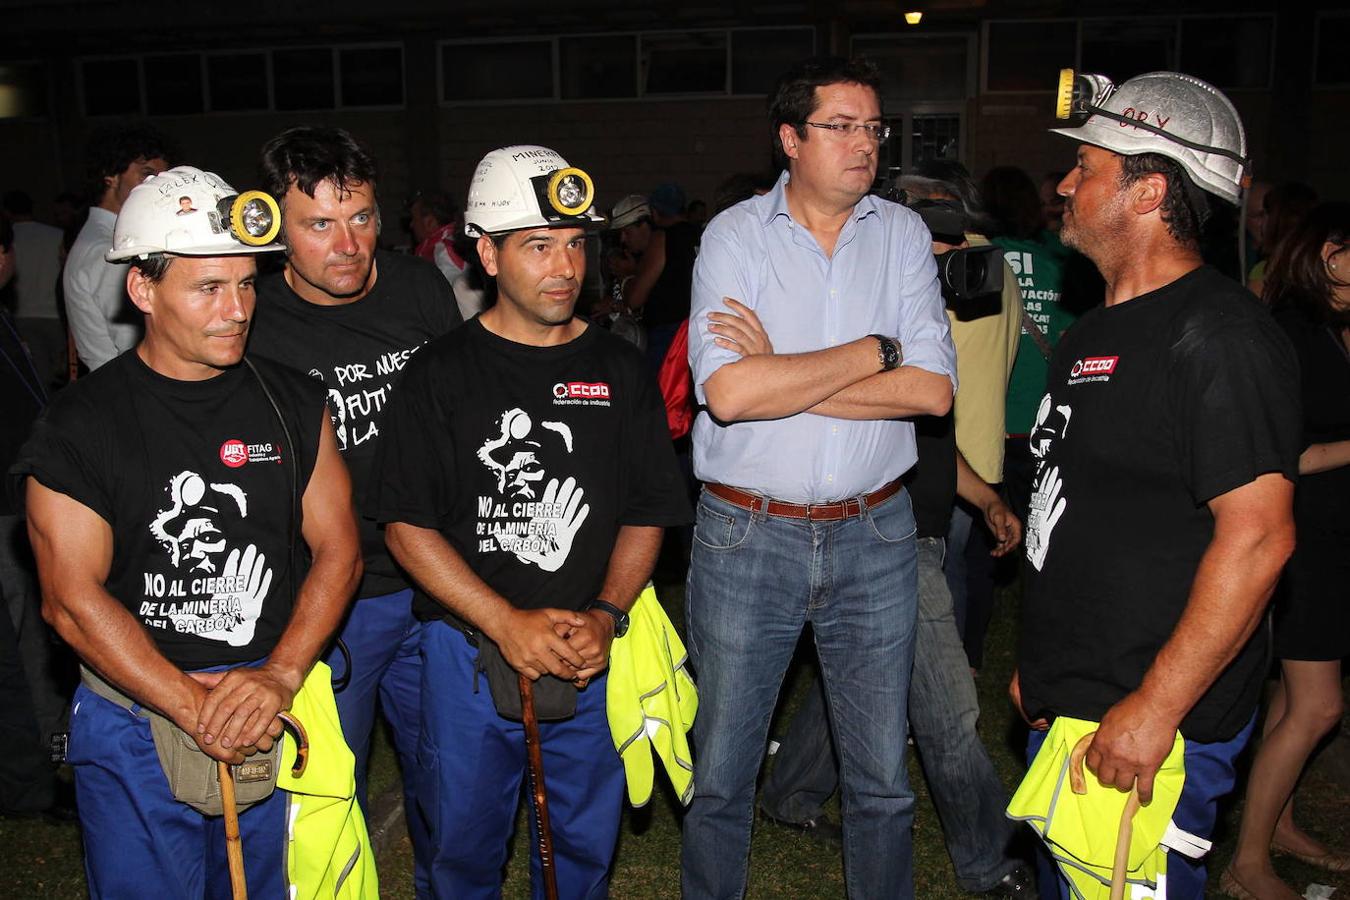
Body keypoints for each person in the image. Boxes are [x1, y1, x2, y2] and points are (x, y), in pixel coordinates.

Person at [10, 165, 367, 896]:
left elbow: (339, 548)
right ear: (143, 289)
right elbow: (70, 599)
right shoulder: (81, 424)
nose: (236, 309)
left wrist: (280, 674)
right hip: (138, 716)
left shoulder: (293, 402)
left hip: (269, 705)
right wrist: (189, 704)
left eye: (245, 284)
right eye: (208, 288)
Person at [369, 145, 689, 899]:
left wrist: (608, 614)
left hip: (589, 650)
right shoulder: (439, 373)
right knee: (461, 850)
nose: (565, 267)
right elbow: (405, 524)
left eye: (577, 244)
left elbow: (648, 511)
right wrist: (503, 621)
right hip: (466, 652)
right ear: (486, 252)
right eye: (538, 246)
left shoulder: (616, 370)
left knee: (581, 850)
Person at [1012, 71, 1301, 900]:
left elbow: (1259, 537)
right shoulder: (1089, 335)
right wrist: (1047, 670)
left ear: (1148, 190)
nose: (1065, 184)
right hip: (1078, 709)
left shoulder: (1218, 338)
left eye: (1087, 168)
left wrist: (1155, 709)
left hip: (1152, 732)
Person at [681, 56, 957, 899]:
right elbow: (730, 393)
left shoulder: (904, 235)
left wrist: (787, 374)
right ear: (790, 139)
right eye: (842, 126)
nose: (865, 144)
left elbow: (933, 392)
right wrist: (871, 353)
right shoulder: (733, 235)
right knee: (722, 772)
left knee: (880, 778)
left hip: (875, 533)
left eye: (873, 127)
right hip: (746, 531)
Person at [248, 124, 461, 897]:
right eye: (319, 224)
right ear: (277, 230)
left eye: (362, 217)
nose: (348, 244)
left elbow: (459, 418)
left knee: (448, 776)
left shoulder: (418, 289)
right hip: (332, 597)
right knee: (325, 789)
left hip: (436, 584)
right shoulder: (254, 319)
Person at [1222, 202, 1350, 900]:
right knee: (1319, 707)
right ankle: (1247, 866)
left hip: (1329, 535)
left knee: (1291, 698)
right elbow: (1285, 452)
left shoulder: (1327, 328)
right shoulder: (1292, 335)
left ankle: (1278, 825)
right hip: (1303, 539)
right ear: (1332, 255)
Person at [897, 161, 1022, 669]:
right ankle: (957, 670)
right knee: (953, 573)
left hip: (943, 451)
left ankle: (947, 674)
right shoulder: (996, 263)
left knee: (937, 578)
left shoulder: (942, 266)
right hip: (972, 448)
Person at [981, 166, 1080, 530]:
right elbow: (1071, 342)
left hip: (985, 420)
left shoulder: (974, 261)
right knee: (1040, 523)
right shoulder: (1057, 266)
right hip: (1041, 417)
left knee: (983, 525)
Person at [63, 123, 172, 371]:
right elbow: (130, 343)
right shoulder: (109, 250)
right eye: (147, 174)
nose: (158, 187)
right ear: (110, 176)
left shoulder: (103, 238)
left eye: (162, 178)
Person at [614, 183, 700, 371]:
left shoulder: (662, 238)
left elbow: (635, 299)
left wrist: (626, 275)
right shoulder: (698, 234)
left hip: (669, 340)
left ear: (651, 216)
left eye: (627, 232)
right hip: (695, 334)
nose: (623, 240)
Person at [2, 190, 66, 389]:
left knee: (38, 378)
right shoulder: (55, 235)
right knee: (63, 376)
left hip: (24, 316)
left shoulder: (11, 238)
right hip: (54, 314)